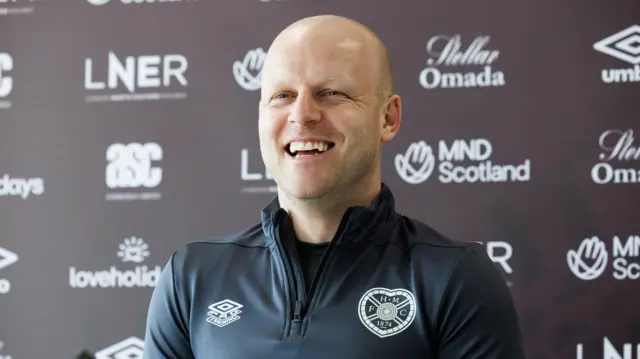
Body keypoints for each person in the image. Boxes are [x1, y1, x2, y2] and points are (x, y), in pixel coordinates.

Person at [142, 14, 526, 359]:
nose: (302, 114)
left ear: (388, 118)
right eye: (283, 95)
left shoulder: (454, 279)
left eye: (331, 93)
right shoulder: (191, 279)